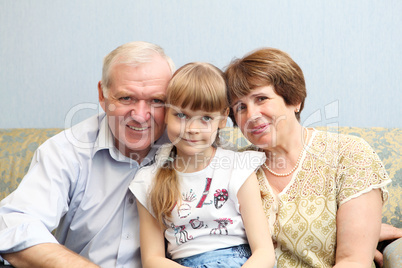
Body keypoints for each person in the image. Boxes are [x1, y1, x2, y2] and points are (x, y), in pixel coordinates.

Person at [0, 41, 174, 267]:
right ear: (103, 95)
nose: (140, 115)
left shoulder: (189, 148)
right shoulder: (66, 150)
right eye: (126, 98)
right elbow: (13, 224)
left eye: (156, 101)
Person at [224, 47, 393, 267]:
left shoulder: (349, 154)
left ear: (295, 100)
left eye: (262, 98)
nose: (251, 115)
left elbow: (353, 261)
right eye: (240, 107)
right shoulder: (233, 167)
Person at [129, 62, 275, 267]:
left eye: (205, 118)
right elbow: (152, 259)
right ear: (165, 114)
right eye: (181, 115)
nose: (192, 129)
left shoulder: (237, 167)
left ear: (223, 118)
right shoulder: (149, 180)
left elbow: (264, 253)